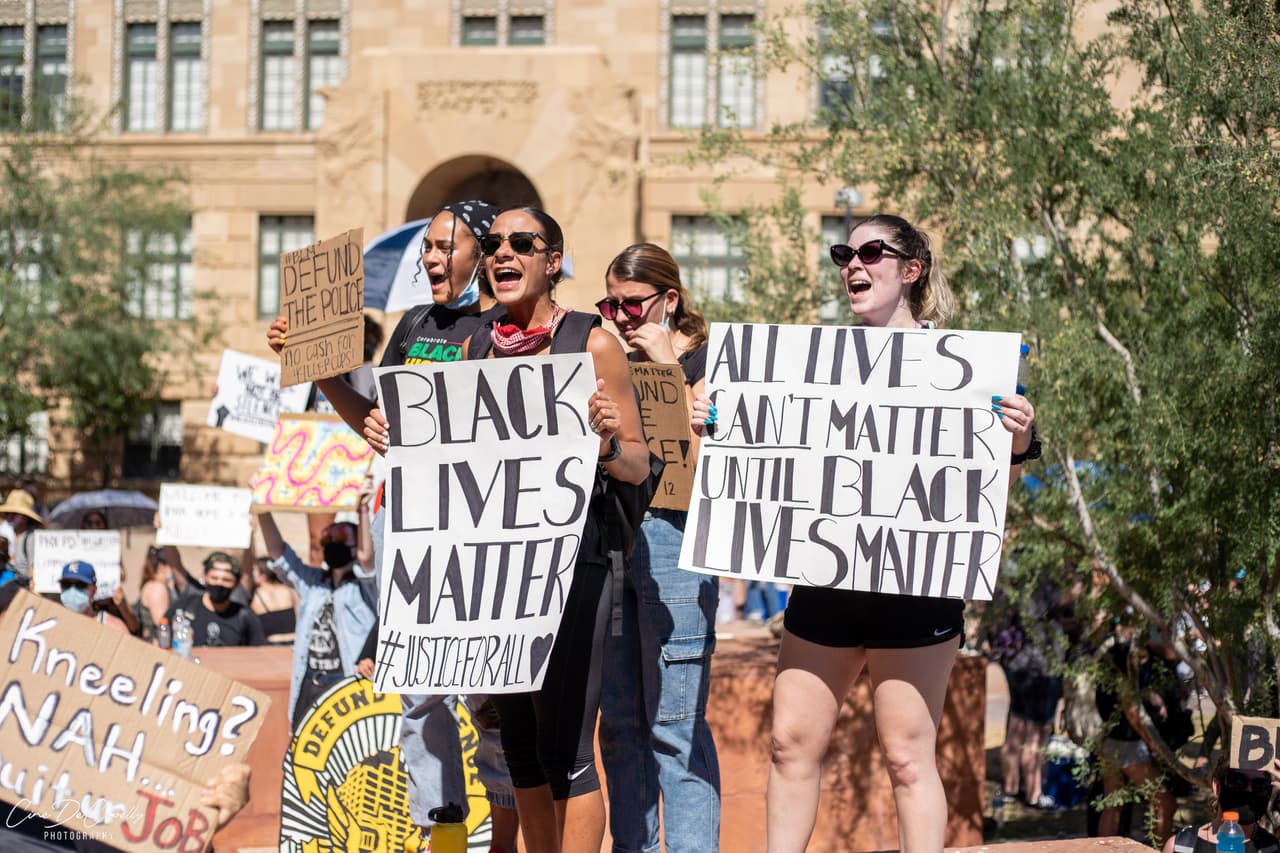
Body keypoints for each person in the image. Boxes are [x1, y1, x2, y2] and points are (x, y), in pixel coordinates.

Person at [696, 214, 1038, 853]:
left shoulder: (965, 369)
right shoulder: (808, 365)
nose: (853, 264)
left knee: (908, 758)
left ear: (911, 270)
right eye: (842, 254)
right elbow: (768, 462)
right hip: (825, 584)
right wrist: (721, 423)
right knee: (789, 743)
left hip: (914, 587)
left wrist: (1014, 444)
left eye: (870, 252)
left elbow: (980, 502)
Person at [365, 206, 651, 853]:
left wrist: (606, 440)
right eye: (494, 243)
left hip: (575, 567)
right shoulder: (476, 345)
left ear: (553, 260)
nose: (503, 253)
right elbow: (452, 463)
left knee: (568, 748)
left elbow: (638, 461)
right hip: (498, 575)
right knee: (519, 745)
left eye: (523, 243)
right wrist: (397, 439)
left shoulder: (592, 340)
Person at [269, 200, 509, 838]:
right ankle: (445, 836)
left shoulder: (507, 330)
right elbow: (378, 423)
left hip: (480, 536)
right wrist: (316, 364)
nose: (430, 258)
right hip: (413, 534)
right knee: (419, 699)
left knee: (492, 703)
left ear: (482, 254)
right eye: (426, 247)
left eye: (443, 246)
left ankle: (514, 835)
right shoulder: (412, 325)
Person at [593, 242, 721, 853]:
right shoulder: (606, 362)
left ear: (669, 300)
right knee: (618, 725)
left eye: (633, 305)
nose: (620, 318)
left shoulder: (711, 365)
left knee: (675, 727)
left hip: (676, 547)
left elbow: (710, 480)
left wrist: (668, 365)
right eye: (610, 305)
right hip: (613, 544)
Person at [257, 511, 377, 729]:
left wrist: (363, 510)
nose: (331, 545)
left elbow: (367, 559)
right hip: (310, 682)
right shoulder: (314, 583)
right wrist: (262, 509)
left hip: (346, 681)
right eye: (327, 540)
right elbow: (279, 555)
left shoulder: (366, 586)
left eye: (340, 540)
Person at [1163, 762, 1278, 853]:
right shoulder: (1182, 846)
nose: (1249, 790)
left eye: (1260, 786)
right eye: (1238, 781)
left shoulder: (1273, 848)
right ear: (1217, 786)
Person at [165, 551, 266, 647]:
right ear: (205, 577)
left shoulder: (244, 616)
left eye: (226, 580)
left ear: (236, 583)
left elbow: (260, 651)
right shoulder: (185, 607)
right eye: (214, 578)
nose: (219, 583)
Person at [57, 560, 129, 632]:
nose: (72, 591)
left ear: (94, 590)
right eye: (66, 584)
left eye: (80, 585)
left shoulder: (114, 627)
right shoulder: (51, 625)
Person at [0, 487, 43, 579]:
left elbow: (33, 570)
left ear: (25, 517)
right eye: (7, 513)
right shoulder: (12, 536)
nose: (10, 517)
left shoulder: (31, 538)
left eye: (14, 513)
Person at [136, 545, 177, 641]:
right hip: (155, 644)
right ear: (162, 566)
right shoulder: (157, 588)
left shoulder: (159, 585)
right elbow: (162, 623)